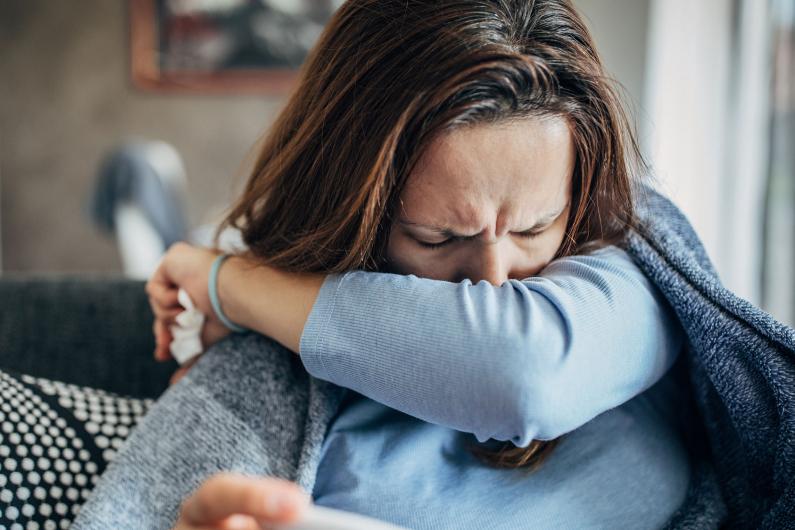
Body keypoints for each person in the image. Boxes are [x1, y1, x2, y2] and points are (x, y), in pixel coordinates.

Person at [0, 1, 691, 528]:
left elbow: (521, 374)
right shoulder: (266, 370)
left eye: (536, 227)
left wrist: (228, 282)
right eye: (435, 236)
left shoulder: (632, 272)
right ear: (354, 210)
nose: (493, 276)